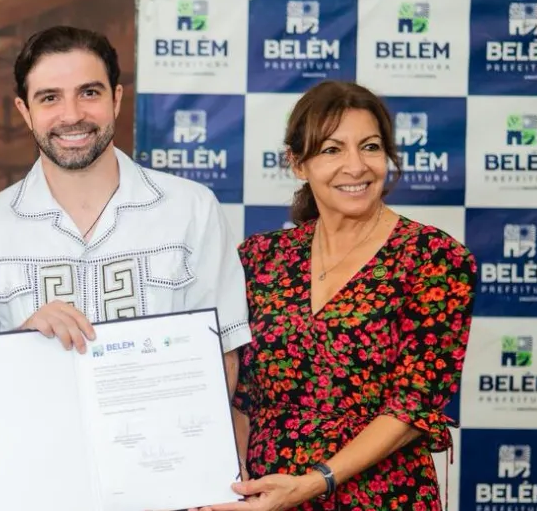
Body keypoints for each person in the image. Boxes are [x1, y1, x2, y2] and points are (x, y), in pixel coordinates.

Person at [0, 25, 251, 404]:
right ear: (25, 111)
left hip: (161, 456)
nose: (72, 115)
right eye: (49, 98)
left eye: (89, 93)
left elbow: (222, 358)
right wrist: (20, 344)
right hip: (37, 458)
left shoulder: (192, 209)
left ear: (116, 99)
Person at [199, 81, 476, 511]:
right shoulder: (260, 258)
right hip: (268, 492)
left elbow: (413, 406)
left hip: (381, 495)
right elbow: (240, 392)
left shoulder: (435, 259)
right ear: (298, 163)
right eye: (331, 150)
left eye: (370, 146)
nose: (356, 166)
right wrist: (235, 479)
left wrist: (315, 482)